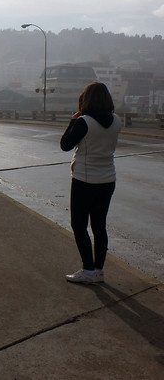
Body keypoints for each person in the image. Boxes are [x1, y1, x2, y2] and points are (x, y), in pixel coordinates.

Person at [60, 82, 121, 284]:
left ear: (86, 99)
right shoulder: (116, 121)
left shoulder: (83, 122)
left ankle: (87, 270)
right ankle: (99, 270)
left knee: (79, 225)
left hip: (84, 180)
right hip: (108, 180)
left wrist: (72, 121)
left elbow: (65, 145)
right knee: (99, 226)